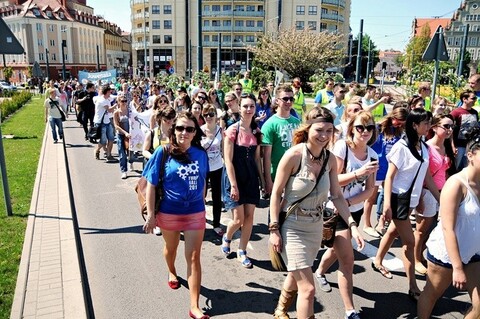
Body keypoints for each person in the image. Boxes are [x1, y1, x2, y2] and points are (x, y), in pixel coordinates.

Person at [269, 107, 365, 319]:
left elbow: (337, 196)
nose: (324, 136)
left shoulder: (329, 159)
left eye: (329, 131)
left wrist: (352, 225)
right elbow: (276, 194)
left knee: (298, 272)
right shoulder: (294, 155)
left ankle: (281, 309)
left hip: (315, 227)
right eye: (319, 130)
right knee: (309, 289)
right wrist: (274, 228)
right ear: (308, 128)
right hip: (292, 226)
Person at [142, 112, 209, 319]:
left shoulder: (200, 154)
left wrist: (201, 198)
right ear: (173, 130)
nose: (184, 132)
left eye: (189, 129)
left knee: (194, 256)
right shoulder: (163, 153)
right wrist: (151, 215)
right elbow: (151, 185)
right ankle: (171, 270)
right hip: (169, 212)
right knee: (171, 248)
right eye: (180, 128)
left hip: (195, 212)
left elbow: (203, 179)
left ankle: (194, 306)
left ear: (195, 132)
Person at [314, 111, 378, 319]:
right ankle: (350, 310)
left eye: (369, 128)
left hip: (354, 210)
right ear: (352, 129)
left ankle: (320, 272)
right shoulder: (343, 148)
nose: (365, 132)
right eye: (360, 127)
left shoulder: (373, 155)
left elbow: (370, 191)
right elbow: (334, 181)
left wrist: (350, 203)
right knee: (347, 260)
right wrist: (358, 173)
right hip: (334, 209)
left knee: (336, 251)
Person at [372, 108, 439, 301]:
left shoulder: (424, 147)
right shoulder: (401, 147)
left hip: (410, 200)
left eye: (429, 122)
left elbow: (425, 176)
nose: (428, 126)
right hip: (397, 200)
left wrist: (439, 199)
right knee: (410, 242)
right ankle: (413, 287)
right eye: (426, 123)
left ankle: (377, 260)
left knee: (393, 232)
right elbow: (390, 176)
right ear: (414, 125)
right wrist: (386, 205)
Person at [418, 126, 480, 319]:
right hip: (447, 256)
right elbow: (447, 228)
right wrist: (458, 268)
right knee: (431, 295)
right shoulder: (455, 184)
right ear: (470, 155)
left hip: (474, 252)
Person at [221, 93, 264, 268]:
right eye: (245, 106)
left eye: (251, 106)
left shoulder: (256, 132)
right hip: (234, 177)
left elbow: (257, 159)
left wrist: (263, 181)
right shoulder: (232, 130)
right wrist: (233, 185)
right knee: (238, 219)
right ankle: (227, 236)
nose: (248, 109)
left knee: (249, 217)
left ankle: (242, 250)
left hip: (251, 178)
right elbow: (228, 160)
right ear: (239, 108)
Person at [413, 114, 455, 275]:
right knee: (421, 230)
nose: (450, 130)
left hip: (442, 193)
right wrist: (423, 198)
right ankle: (416, 259)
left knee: (432, 230)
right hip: (428, 193)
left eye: (452, 127)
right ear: (435, 127)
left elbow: (448, 173)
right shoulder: (427, 148)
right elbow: (425, 176)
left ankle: (420, 254)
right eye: (446, 126)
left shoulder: (447, 147)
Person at [363, 107, 408, 238]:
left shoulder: (400, 132)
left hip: (391, 169)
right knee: (371, 197)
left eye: (402, 123)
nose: (399, 125)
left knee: (387, 197)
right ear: (392, 117)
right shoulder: (378, 128)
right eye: (398, 121)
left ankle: (382, 222)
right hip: (377, 167)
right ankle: (366, 225)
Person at [261, 85, 301, 197]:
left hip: (296, 174)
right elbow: (266, 156)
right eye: (285, 99)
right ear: (277, 101)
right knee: (276, 210)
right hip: (277, 174)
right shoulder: (270, 124)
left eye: (291, 99)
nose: (289, 102)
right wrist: (268, 180)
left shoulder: (297, 122)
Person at [200, 105, 224, 237]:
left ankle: (216, 224)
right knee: (201, 196)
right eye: (205, 115)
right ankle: (200, 221)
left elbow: (224, 149)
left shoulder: (221, 130)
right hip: (203, 168)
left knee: (216, 196)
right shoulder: (200, 131)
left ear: (216, 115)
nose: (208, 117)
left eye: (211, 114)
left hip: (217, 167)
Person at [451, 90, 479, 170]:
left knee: (467, 168)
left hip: (470, 146)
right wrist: (452, 145)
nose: (474, 101)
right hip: (459, 146)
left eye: (475, 98)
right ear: (464, 99)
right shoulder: (456, 113)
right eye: (473, 98)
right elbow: (450, 130)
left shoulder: (475, 112)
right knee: (455, 167)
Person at [93, 85, 116, 162]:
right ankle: (97, 150)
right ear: (106, 92)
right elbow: (109, 110)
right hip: (100, 122)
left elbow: (111, 110)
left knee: (111, 138)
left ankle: (109, 155)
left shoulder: (107, 99)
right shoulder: (101, 100)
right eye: (109, 92)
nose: (111, 93)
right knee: (103, 140)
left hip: (107, 121)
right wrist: (116, 104)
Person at [113, 95, 133, 179]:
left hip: (130, 134)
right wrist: (125, 133)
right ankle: (124, 171)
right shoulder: (116, 112)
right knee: (122, 153)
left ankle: (131, 162)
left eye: (125, 101)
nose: (124, 103)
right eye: (122, 101)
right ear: (118, 102)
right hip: (121, 134)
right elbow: (116, 126)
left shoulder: (130, 111)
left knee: (131, 152)